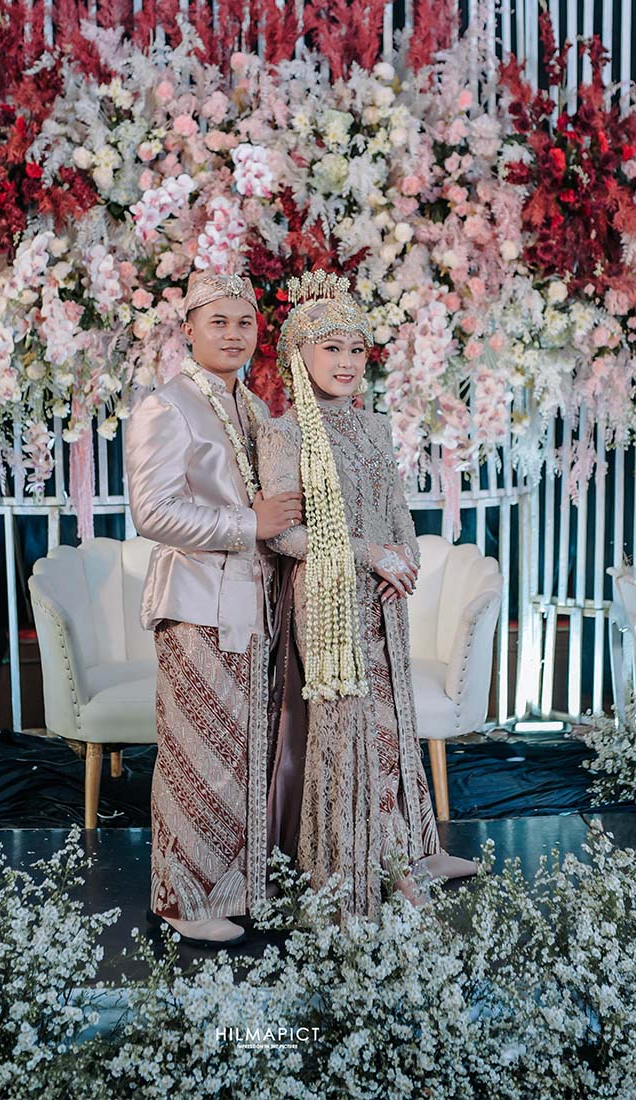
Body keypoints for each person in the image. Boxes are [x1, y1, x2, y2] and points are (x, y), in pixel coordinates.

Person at [256, 269, 476, 923]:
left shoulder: (374, 427)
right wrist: (367, 554)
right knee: (350, 730)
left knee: (393, 724)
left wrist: (405, 556)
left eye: (356, 349)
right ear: (299, 355)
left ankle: (414, 847)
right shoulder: (283, 433)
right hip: (329, 599)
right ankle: (367, 864)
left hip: (384, 597)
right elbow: (285, 534)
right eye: (332, 349)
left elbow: (396, 509)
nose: (347, 362)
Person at [124, 269, 302, 946]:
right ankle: (181, 899)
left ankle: (238, 889)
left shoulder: (250, 406)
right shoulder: (167, 408)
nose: (233, 334)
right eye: (218, 322)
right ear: (189, 330)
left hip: (254, 603)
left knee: (243, 752)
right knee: (197, 756)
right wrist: (247, 523)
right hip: (197, 604)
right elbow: (153, 512)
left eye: (244, 322)